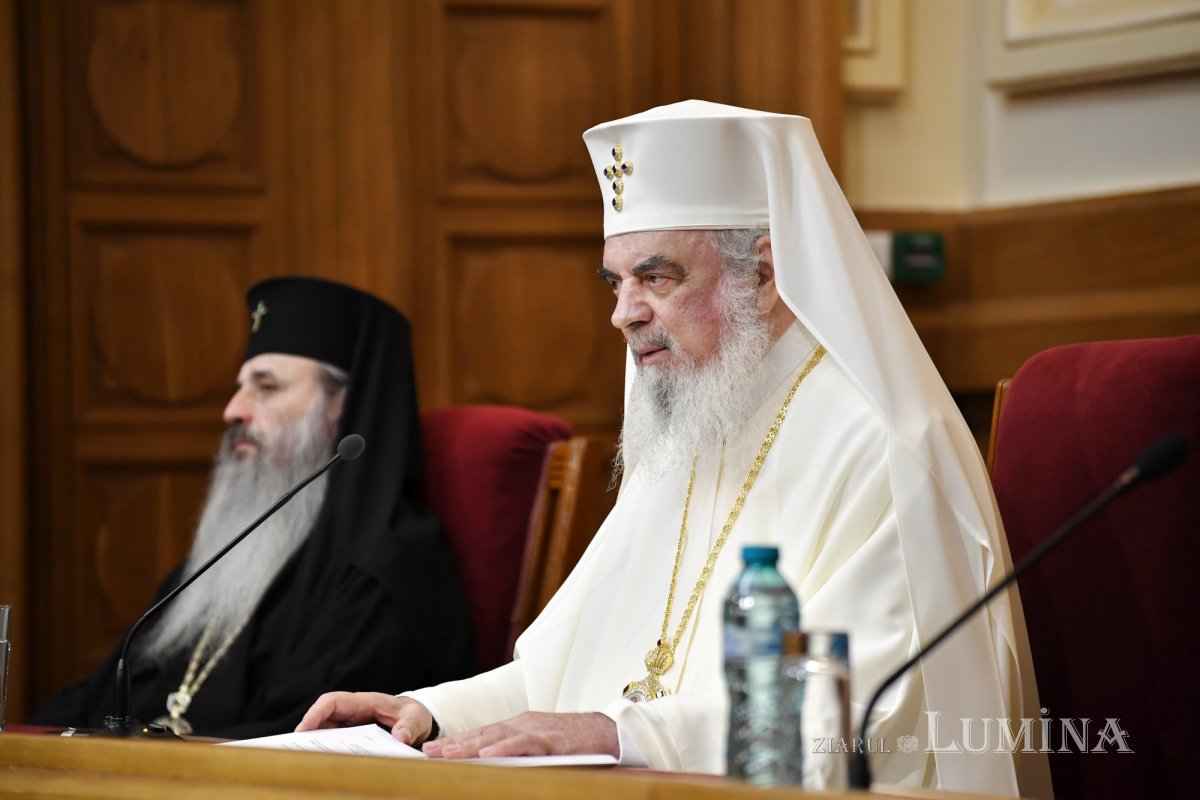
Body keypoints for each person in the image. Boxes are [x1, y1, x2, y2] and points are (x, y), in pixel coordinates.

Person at [297, 102, 1050, 796]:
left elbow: (861, 712)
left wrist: (620, 735)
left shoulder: (886, 445)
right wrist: (429, 712)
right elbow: (561, 673)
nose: (624, 314)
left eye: (656, 277)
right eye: (615, 283)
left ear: (765, 274)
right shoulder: (686, 427)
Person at [32, 277, 476, 738]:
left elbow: (305, 740)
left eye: (266, 387)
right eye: (239, 387)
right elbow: (102, 695)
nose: (233, 410)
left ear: (344, 407)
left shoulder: (388, 568)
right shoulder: (236, 551)